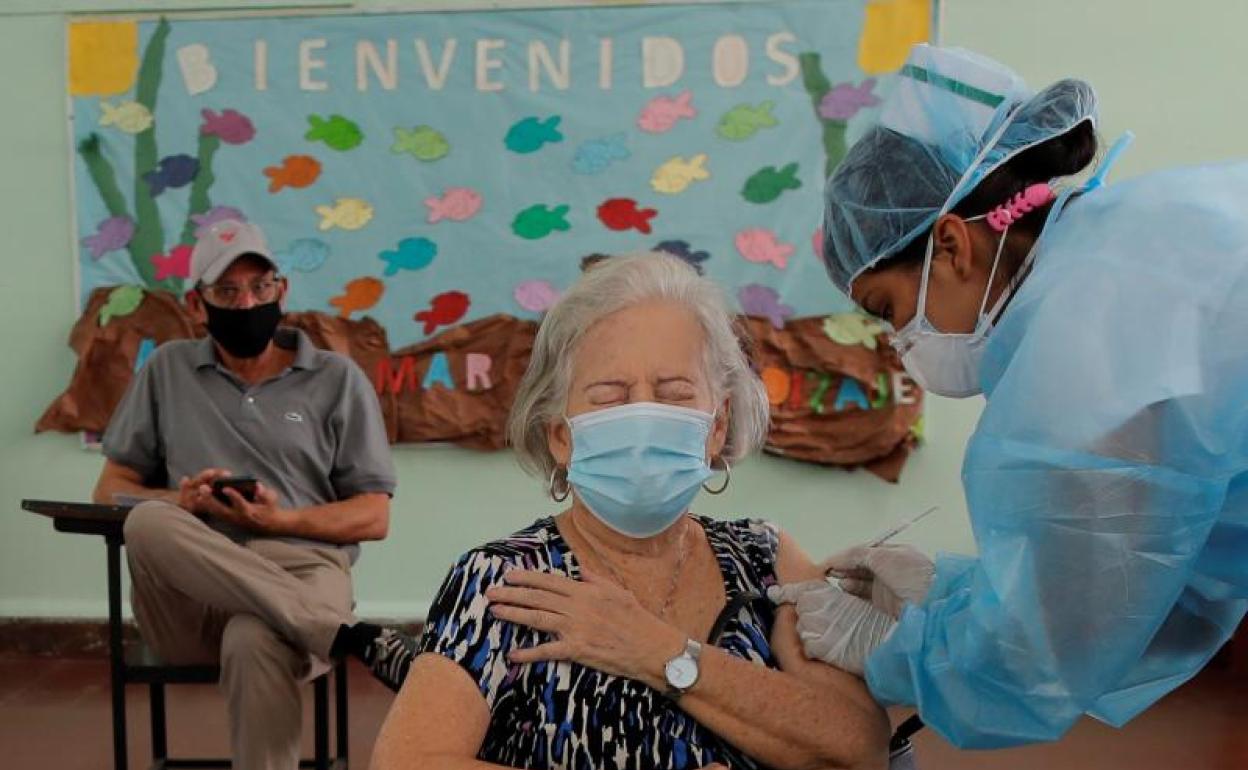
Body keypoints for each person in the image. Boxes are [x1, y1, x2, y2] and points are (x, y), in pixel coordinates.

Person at [771, 43, 1248, 749]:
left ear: (955, 246)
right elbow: (1158, 571)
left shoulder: (1082, 359)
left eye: (889, 307)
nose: (899, 341)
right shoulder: (1140, 232)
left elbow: (1045, 662)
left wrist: (894, 650)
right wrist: (955, 593)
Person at [371, 253, 891, 770]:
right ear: (560, 437)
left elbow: (859, 748)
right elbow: (406, 762)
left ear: (716, 425)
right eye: (609, 396)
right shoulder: (503, 582)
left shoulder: (766, 559)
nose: (644, 416)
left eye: (674, 393)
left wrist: (657, 650)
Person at [93, 219, 403, 769]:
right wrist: (182, 503)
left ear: (282, 290)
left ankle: (314, 626)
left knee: (254, 638)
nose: (247, 302)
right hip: (191, 598)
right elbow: (109, 492)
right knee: (146, 522)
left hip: (298, 571)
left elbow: (373, 517)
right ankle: (346, 635)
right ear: (197, 304)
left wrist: (279, 521)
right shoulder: (165, 369)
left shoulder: (337, 378)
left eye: (260, 287)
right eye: (227, 292)